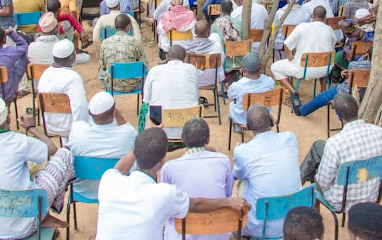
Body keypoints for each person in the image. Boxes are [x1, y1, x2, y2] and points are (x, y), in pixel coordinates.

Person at [95, 127, 249, 239]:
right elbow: (196, 205)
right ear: (162, 161)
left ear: (135, 153)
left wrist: (138, 148)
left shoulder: (108, 180)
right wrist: (228, 202)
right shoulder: (164, 193)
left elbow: (118, 169)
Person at [0, 98, 75, 239]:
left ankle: (44, 215)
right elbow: (52, 148)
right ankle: (44, 214)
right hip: (24, 225)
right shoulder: (18, 141)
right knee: (65, 154)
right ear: (9, 119)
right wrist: (31, 128)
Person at [301, 94, 382, 210]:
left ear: (338, 116)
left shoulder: (335, 143)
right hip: (374, 194)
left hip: (342, 200)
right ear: (357, 107)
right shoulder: (380, 132)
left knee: (316, 171)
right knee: (318, 146)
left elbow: (323, 182)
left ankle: (304, 200)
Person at [160, 118, 234, 240]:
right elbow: (227, 195)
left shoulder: (169, 167)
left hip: (182, 233)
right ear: (208, 139)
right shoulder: (223, 161)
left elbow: (168, 205)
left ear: (182, 138)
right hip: (218, 232)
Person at [234, 104, 301, 238]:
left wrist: (239, 151)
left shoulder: (243, 151)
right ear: (272, 120)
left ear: (247, 126)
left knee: (243, 184)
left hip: (261, 228)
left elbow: (238, 176)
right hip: (297, 222)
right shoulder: (290, 138)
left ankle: (244, 234)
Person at [67, 92, 136, 201]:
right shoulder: (127, 134)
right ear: (114, 113)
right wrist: (114, 112)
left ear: (90, 113)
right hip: (116, 191)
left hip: (83, 191)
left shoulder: (76, 130)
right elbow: (129, 129)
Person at [270, 6, 337, 108]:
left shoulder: (302, 27)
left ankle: (294, 92)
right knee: (323, 58)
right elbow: (332, 46)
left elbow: (287, 45)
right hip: (325, 70)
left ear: (311, 16)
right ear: (325, 18)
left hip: (304, 69)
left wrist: (290, 58)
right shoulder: (329, 29)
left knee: (274, 67)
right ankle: (323, 90)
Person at [36, 40, 89, 141]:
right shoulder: (73, 77)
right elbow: (79, 107)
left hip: (48, 125)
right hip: (69, 127)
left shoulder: (45, 74)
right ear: (72, 58)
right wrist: (81, 131)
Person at [143, 45, 198, 138]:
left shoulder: (154, 70)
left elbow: (146, 100)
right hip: (189, 130)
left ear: (167, 57)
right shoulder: (192, 69)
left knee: (143, 108)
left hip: (160, 129)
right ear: (184, 58)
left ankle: (147, 139)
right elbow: (195, 97)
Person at [99, 14, 146, 93]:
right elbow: (144, 66)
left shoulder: (105, 42)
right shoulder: (136, 42)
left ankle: (109, 96)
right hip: (134, 85)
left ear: (115, 26)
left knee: (101, 72)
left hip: (112, 85)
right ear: (128, 27)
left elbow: (103, 66)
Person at [227, 53, 276, 127]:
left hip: (245, 119)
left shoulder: (237, 86)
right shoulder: (270, 81)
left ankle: (236, 125)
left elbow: (230, 96)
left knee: (233, 103)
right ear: (261, 66)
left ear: (243, 69)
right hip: (264, 116)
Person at [185, 20, 226, 88]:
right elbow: (221, 61)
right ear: (209, 32)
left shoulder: (187, 48)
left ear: (195, 31)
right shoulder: (217, 46)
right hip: (212, 79)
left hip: (193, 80)